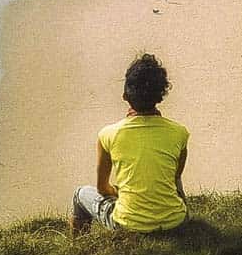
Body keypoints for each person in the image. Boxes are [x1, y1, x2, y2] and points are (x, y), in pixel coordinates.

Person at [71, 53, 188, 234]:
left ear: (125, 95)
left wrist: (121, 191)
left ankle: (78, 247)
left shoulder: (108, 134)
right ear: (160, 96)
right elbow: (175, 177)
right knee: (174, 178)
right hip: (175, 222)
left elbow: (102, 188)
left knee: (80, 193)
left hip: (128, 225)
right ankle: (180, 217)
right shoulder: (179, 133)